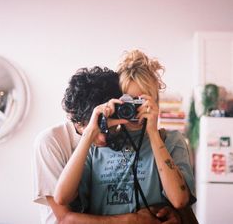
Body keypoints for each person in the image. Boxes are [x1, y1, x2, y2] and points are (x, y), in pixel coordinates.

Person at [54, 51, 196, 217]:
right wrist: (90, 132)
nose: (133, 109)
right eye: (127, 101)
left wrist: (153, 133)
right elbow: (61, 197)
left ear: (155, 100)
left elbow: (179, 200)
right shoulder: (99, 144)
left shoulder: (171, 141)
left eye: (140, 102)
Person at [33, 66, 181, 224]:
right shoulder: (50, 142)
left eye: (108, 127)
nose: (104, 139)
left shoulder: (122, 136)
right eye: (94, 126)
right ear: (74, 118)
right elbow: (65, 218)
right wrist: (134, 220)